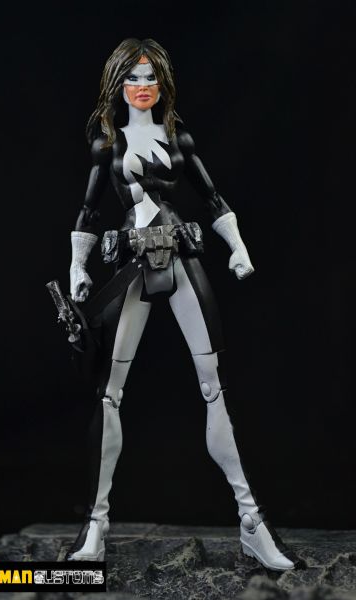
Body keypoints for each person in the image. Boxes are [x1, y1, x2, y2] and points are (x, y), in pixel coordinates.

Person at [66, 38, 295, 571]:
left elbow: (213, 197)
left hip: (181, 257)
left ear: (162, 83)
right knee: (109, 393)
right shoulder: (108, 145)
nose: (143, 86)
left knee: (213, 387)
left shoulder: (178, 138)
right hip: (131, 266)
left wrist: (238, 247)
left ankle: (252, 521)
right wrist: (78, 267)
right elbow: (88, 210)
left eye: (151, 77)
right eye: (133, 78)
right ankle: (96, 524)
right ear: (118, 84)